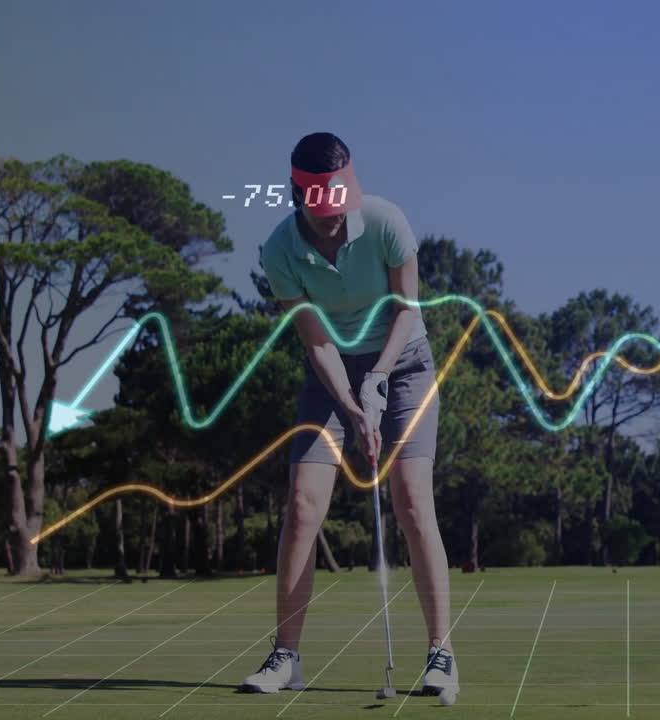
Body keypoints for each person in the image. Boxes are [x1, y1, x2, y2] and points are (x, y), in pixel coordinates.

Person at [240, 132, 457, 701]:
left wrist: (381, 378)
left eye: (341, 206)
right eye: (322, 209)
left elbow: (407, 311)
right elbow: (316, 343)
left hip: (404, 364)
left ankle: (441, 656)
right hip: (331, 373)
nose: (334, 220)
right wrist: (353, 405)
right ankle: (286, 657)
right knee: (304, 504)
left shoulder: (386, 223)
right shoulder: (279, 250)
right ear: (299, 197)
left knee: (412, 500)